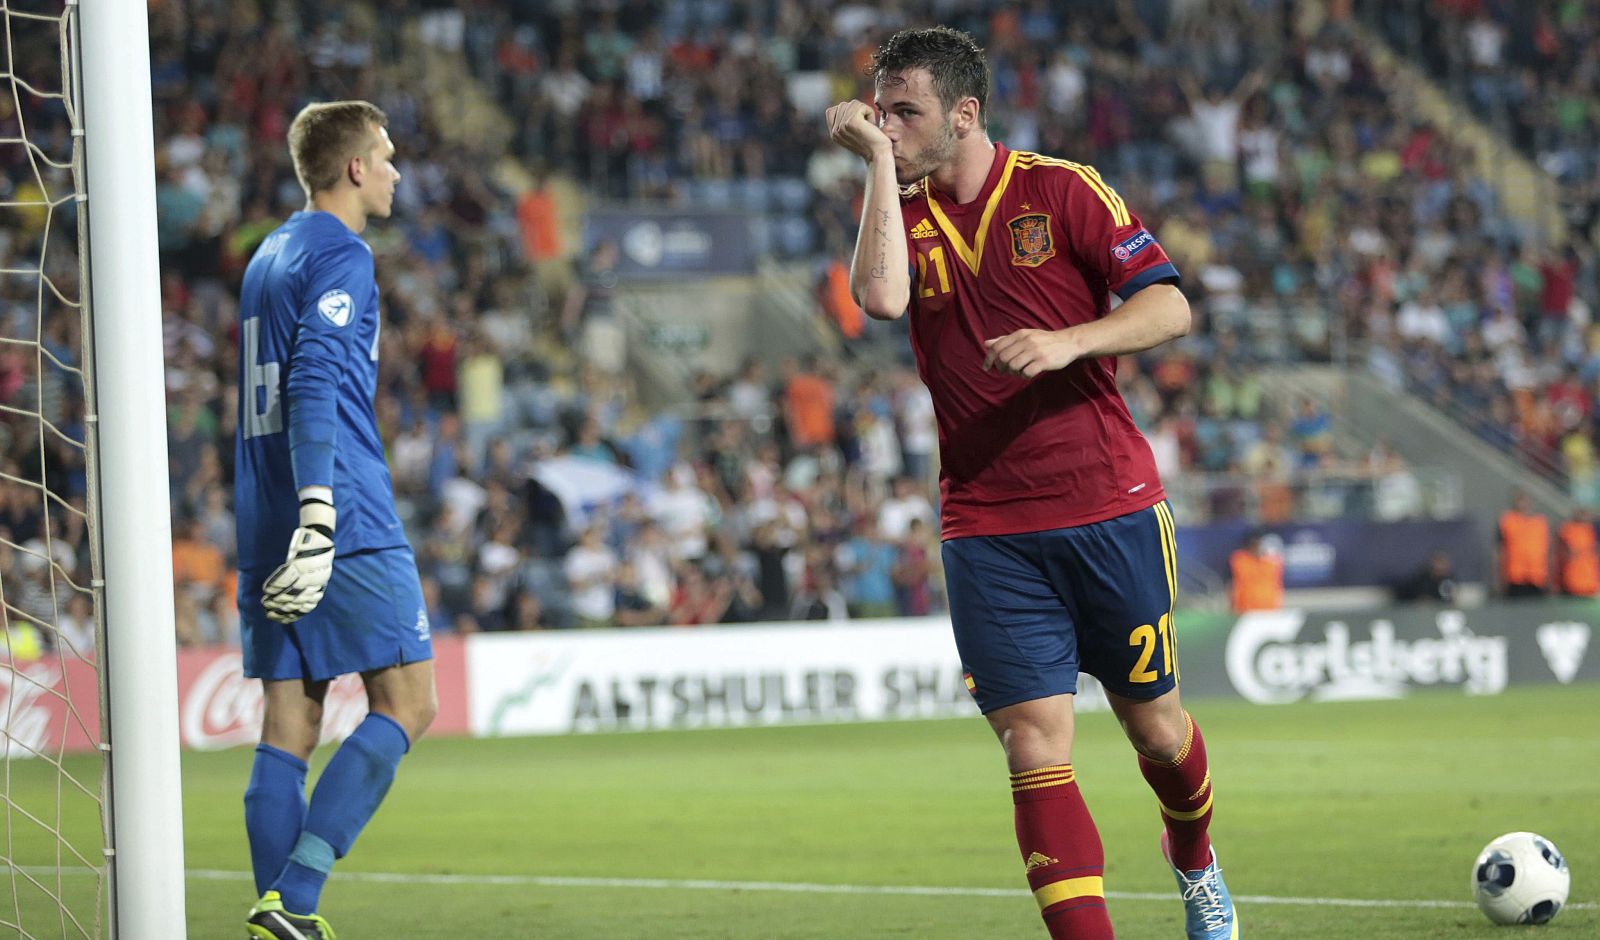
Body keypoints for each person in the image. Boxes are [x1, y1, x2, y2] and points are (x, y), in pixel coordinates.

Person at [826, 27, 1234, 939]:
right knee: (1032, 746)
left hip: (1109, 506)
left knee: (1158, 731)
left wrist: (1069, 342)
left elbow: (1170, 305)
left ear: (964, 113)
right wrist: (879, 165)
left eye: (905, 112)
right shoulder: (899, 207)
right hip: (986, 525)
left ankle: (1195, 859)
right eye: (879, 110)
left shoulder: (1061, 189)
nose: (885, 127)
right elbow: (882, 299)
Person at [235, 100, 437, 940]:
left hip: (263, 511)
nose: (395, 171)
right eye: (385, 156)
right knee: (410, 701)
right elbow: (315, 380)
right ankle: (297, 895)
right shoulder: (341, 252)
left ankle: (279, 921)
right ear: (354, 167)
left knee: (292, 719)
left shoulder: (268, 255)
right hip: (339, 509)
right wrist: (320, 512)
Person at [1497, 490, 1550, 599]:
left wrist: (1550, 578)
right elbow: (1499, 550)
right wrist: (1499, 578)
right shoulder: (1507, 520)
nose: (1522, 504)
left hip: (1536, 577)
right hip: (1515, 577)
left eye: (1525, 501)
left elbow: (1547, 551)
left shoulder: (1540, 522)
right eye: (1520, 501)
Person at [1229, 530, 1284, 613]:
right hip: (1246, 609)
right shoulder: (1238, 560)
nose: (1257, 548)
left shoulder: (1272, 561)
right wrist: (1232, 607)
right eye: (1254, 544)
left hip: (1270, 609)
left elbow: (1277, 585)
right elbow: (1231, 585)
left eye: (1259, 544)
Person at [1556, 506, 1599, 598]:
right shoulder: (1568, 530)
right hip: (1571, 583)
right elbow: (1565, 554)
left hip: (1589, 584)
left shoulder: (1590, 531)